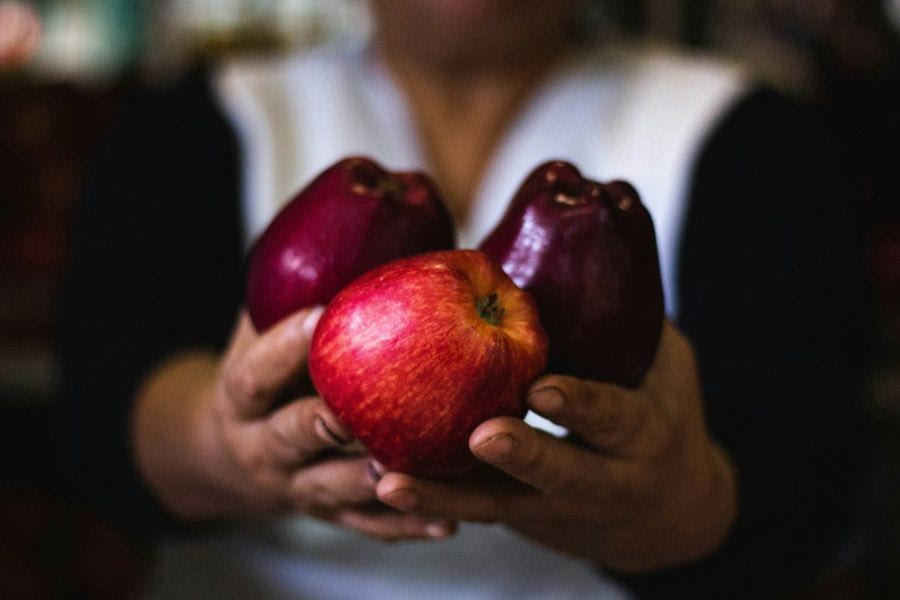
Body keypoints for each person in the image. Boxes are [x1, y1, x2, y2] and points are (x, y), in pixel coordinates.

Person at [60, 1, 871, 597]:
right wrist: (217, 444)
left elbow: (813, 475)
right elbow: (102, 400)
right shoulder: (190, 123)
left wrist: (691, 505)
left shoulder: (754, 137)